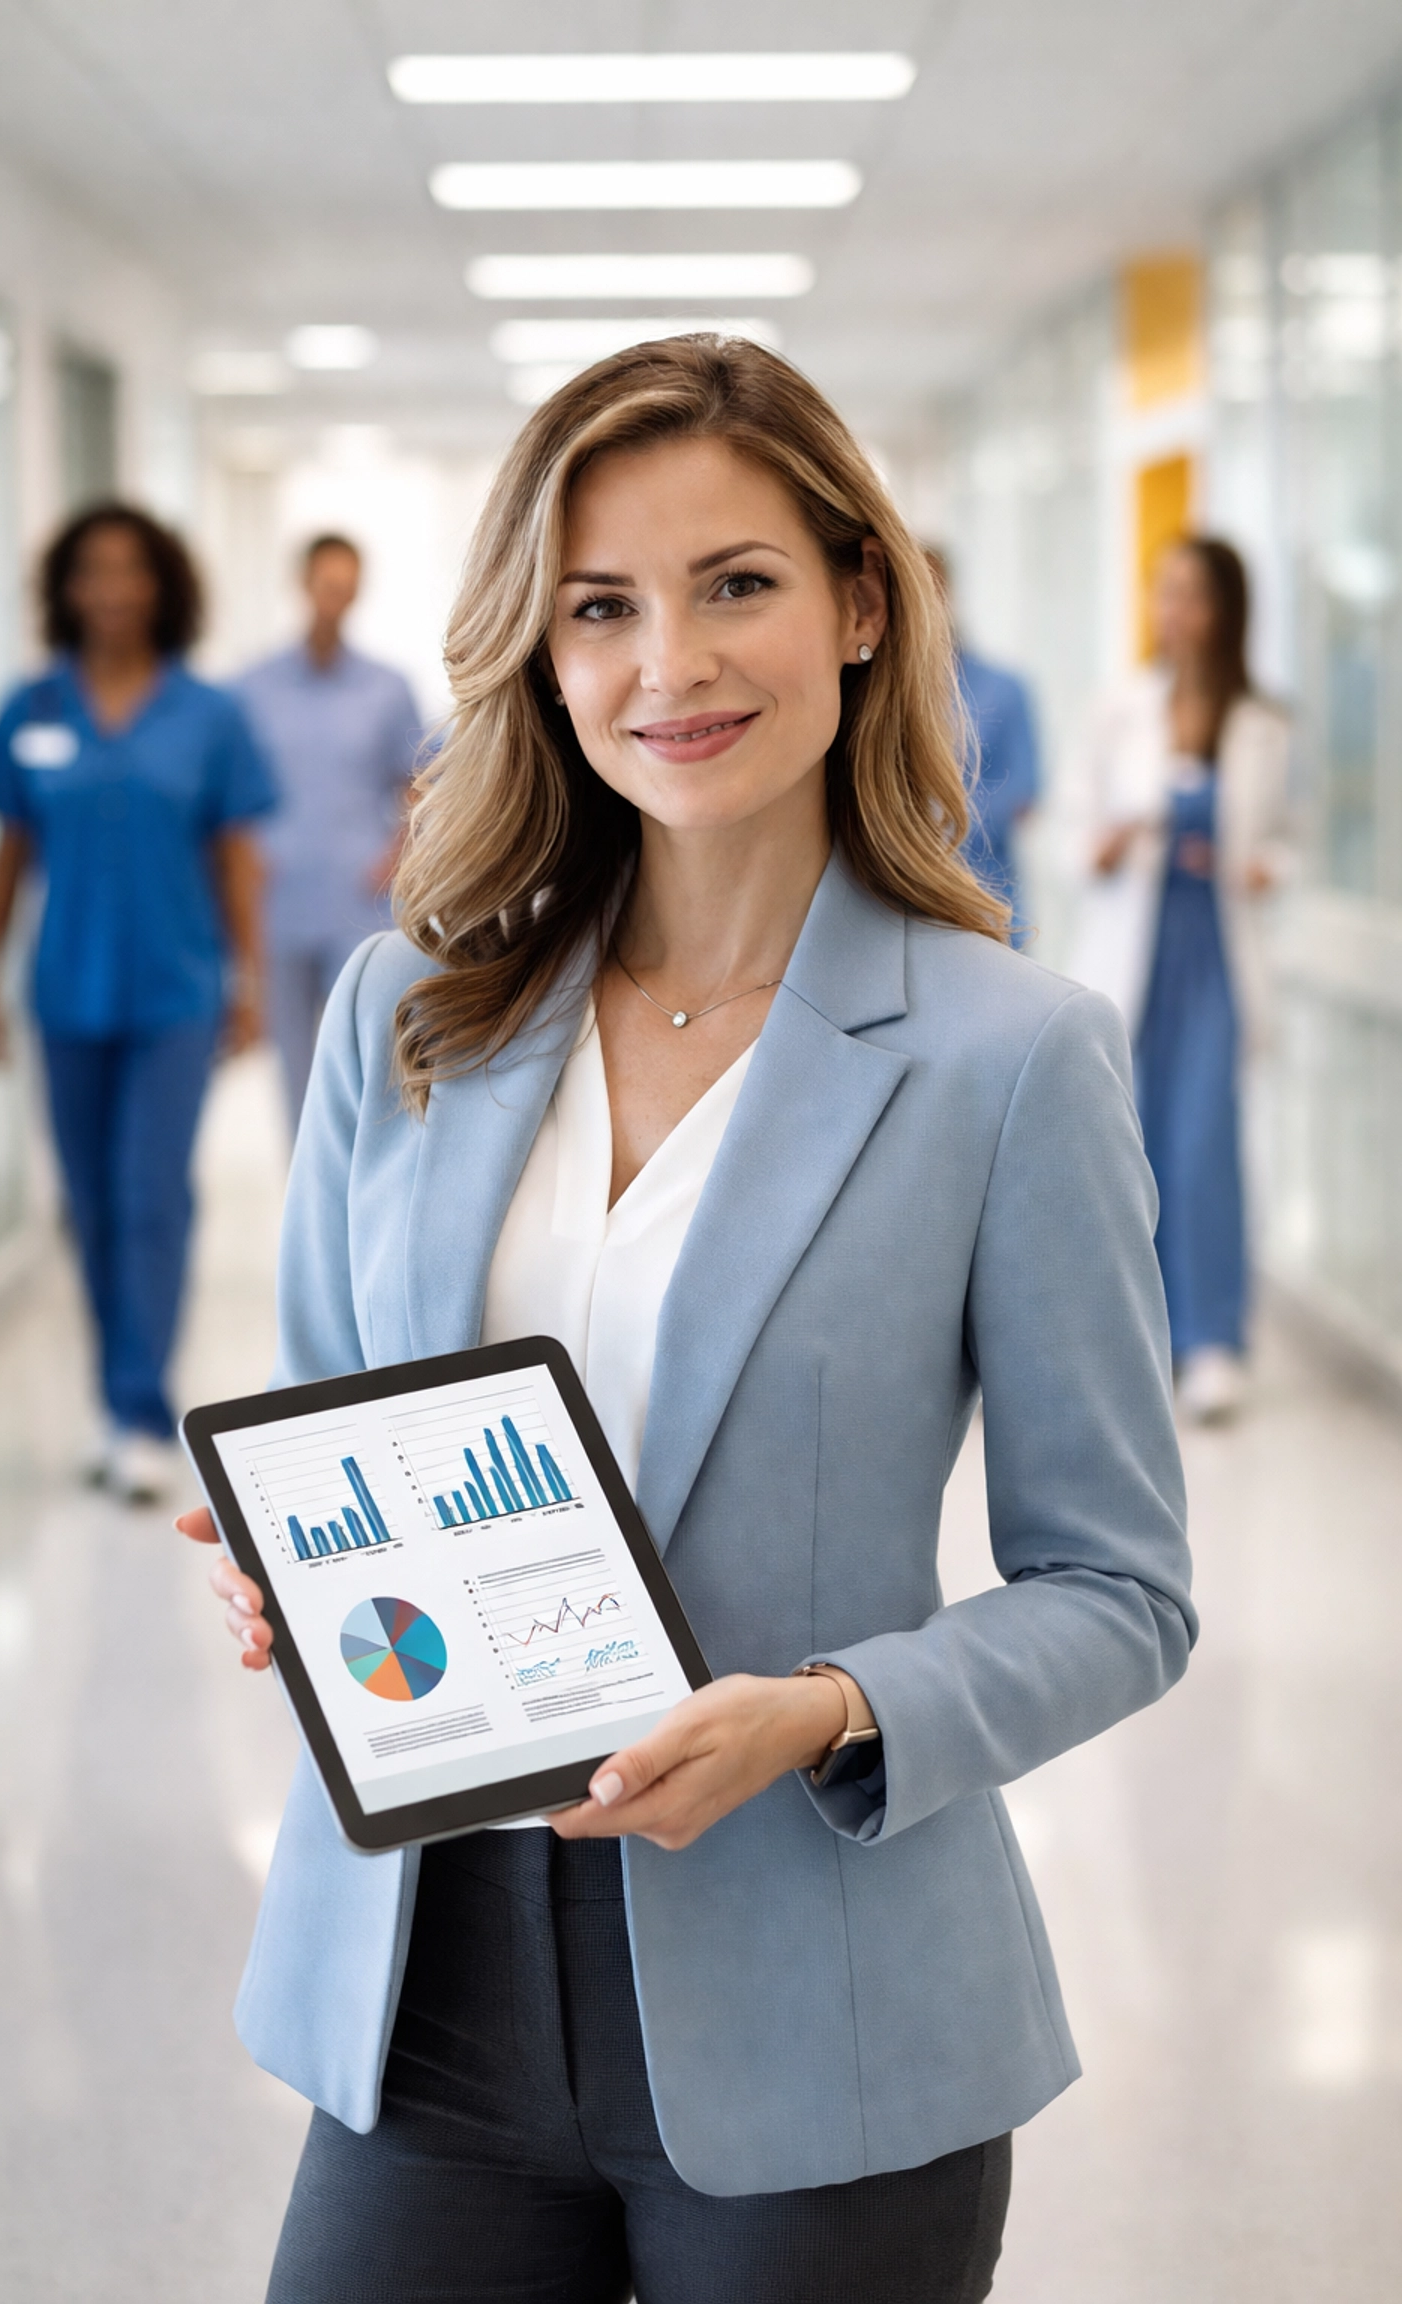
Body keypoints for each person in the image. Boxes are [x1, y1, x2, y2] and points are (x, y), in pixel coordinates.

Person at [179, 336, 1194, 2302]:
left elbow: (1122, 1591)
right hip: (419, 1992)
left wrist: (831, 1711)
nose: (674, 665)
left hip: (822, 2009)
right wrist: (292, 1582)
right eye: (602, 609)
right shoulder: (405, 1015)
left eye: (738, 584)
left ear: (861, 604)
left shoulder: (1011, 1061)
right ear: (539, 656)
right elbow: (323, 1424)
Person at [0, 503, 277, 1504]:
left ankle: (142, 1410)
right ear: (64, 589)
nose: (110, 590)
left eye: (130, 570)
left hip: (174, 994)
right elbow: (10, 856)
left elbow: (237, 857)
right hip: (64, 993)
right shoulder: (33, 710)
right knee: (89, 1205)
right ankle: (115, 1397)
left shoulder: (208, 714)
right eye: (90, 572)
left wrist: (250, 981)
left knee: (151, 1198)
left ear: (163, 587)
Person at [1068, 537, 1291, 1425]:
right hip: (1136, 954)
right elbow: (1078, 828)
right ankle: (1142, 1340)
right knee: (1133, 1152)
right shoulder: (1123, 708)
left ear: (1226, 610)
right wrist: (1114, 840)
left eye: (1191, 596)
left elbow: (1289, 835)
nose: (1174, 613)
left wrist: (1267, 865)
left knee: (1204, 1149)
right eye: (1165, 594)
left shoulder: (1265, 724)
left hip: (1216, 959)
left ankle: (1212, 1342)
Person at [237, 534, 425, 1122]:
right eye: (326, 585)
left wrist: (399, 855)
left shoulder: (387, 687)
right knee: (293, 1066)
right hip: (279, 901)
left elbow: (416, 786)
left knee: (369, 1058)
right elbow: (227, 803)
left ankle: (364, 1192)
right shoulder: (251, 689)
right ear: (303, 585)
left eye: (346, 587)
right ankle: (307, 1198)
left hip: (360, 899)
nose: (334, 598)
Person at [924, 547, 1040, 942]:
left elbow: (1024, 791)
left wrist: (937, 825)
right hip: (903, 908)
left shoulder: (1004, 689)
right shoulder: (868, 697)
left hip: (990, 902)